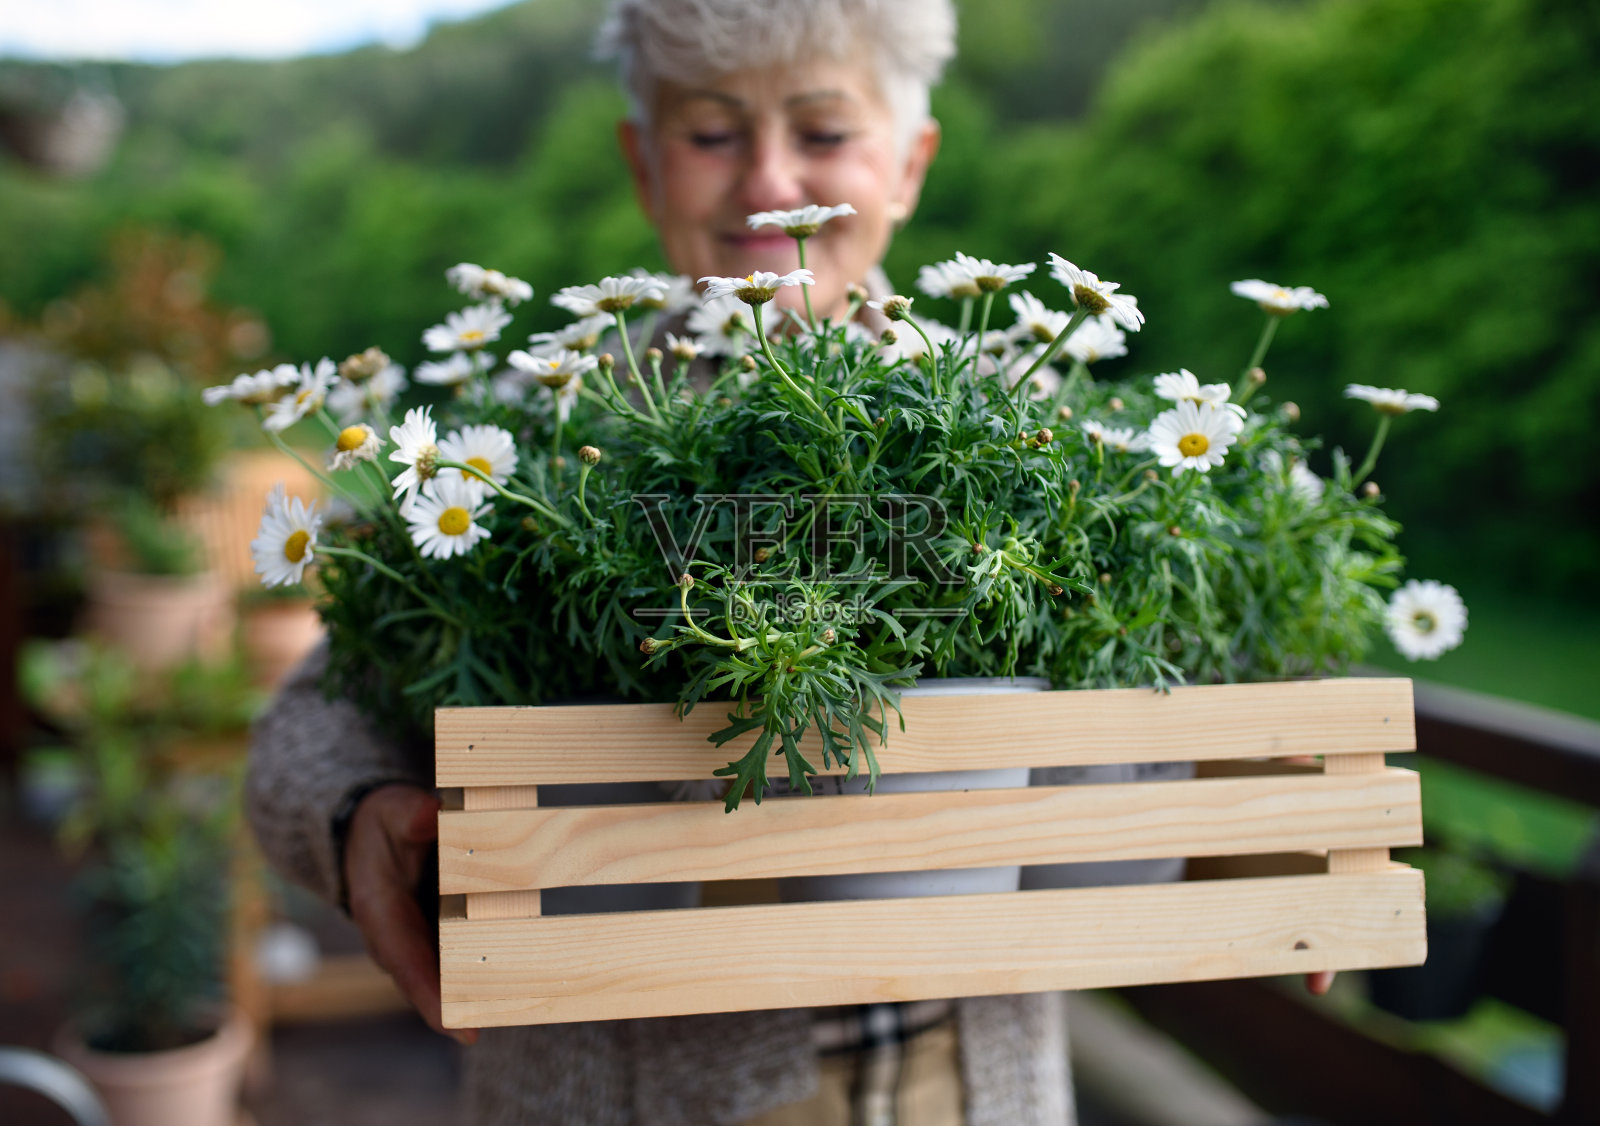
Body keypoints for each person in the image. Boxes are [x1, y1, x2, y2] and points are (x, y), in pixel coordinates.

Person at [247, 2, 1326, 1122]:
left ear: (909, 165)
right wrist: (352, 808)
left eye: (823, 133)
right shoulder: (537, 435)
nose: (768, 183)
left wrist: (1273, 785)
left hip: (963, 1085)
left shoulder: (1032, 423)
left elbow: (1191, 663)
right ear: (643, 166)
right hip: (616, 1088)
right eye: (712, 134)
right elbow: (313, 714)